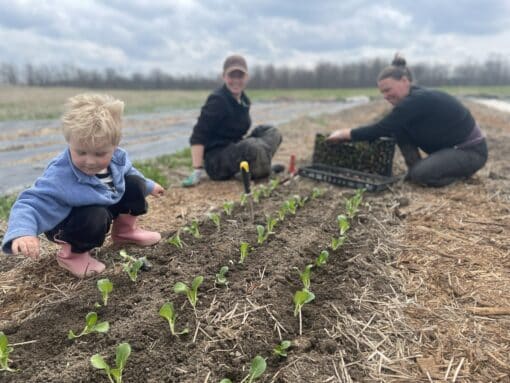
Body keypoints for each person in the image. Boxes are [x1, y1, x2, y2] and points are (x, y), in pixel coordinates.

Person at [1, 94, 165, 278]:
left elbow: (129, 172)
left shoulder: (118, 158)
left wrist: (150, 185)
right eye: (81, 152)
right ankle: (72, 254)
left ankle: (125, 231)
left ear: (115, 146)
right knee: (95, 214)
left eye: (100, 153)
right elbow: (31, 202)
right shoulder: (60, 174)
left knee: (136, 184)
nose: (90, 161)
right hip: (69, 223)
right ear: (69, 143)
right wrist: (23, 232)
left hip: (99, 206)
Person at [327, 55, 488, 187]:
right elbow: (390, 127)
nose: (385, 96)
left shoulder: (418, 99)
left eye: (388, 90)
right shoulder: (409, 101)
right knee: (399, 128)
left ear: (405, 81)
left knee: (421, 176)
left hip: (470, 151)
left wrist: (346, 133)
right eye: (382, 92)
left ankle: (452, 176)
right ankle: (416, 168)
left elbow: (380, 129)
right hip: (449, 149)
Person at [182, 54, 283, 187]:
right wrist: (197, 171)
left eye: (240, 76)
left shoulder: (244, 100)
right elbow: (198, 136)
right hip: (217, 161)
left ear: (246, 77)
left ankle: (258, 166)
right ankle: (261, 169)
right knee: (252, 146)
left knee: (271, 132)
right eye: (231, 76)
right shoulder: (218, 100)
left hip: (236, 148)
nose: (236, 80)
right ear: (224, 76)